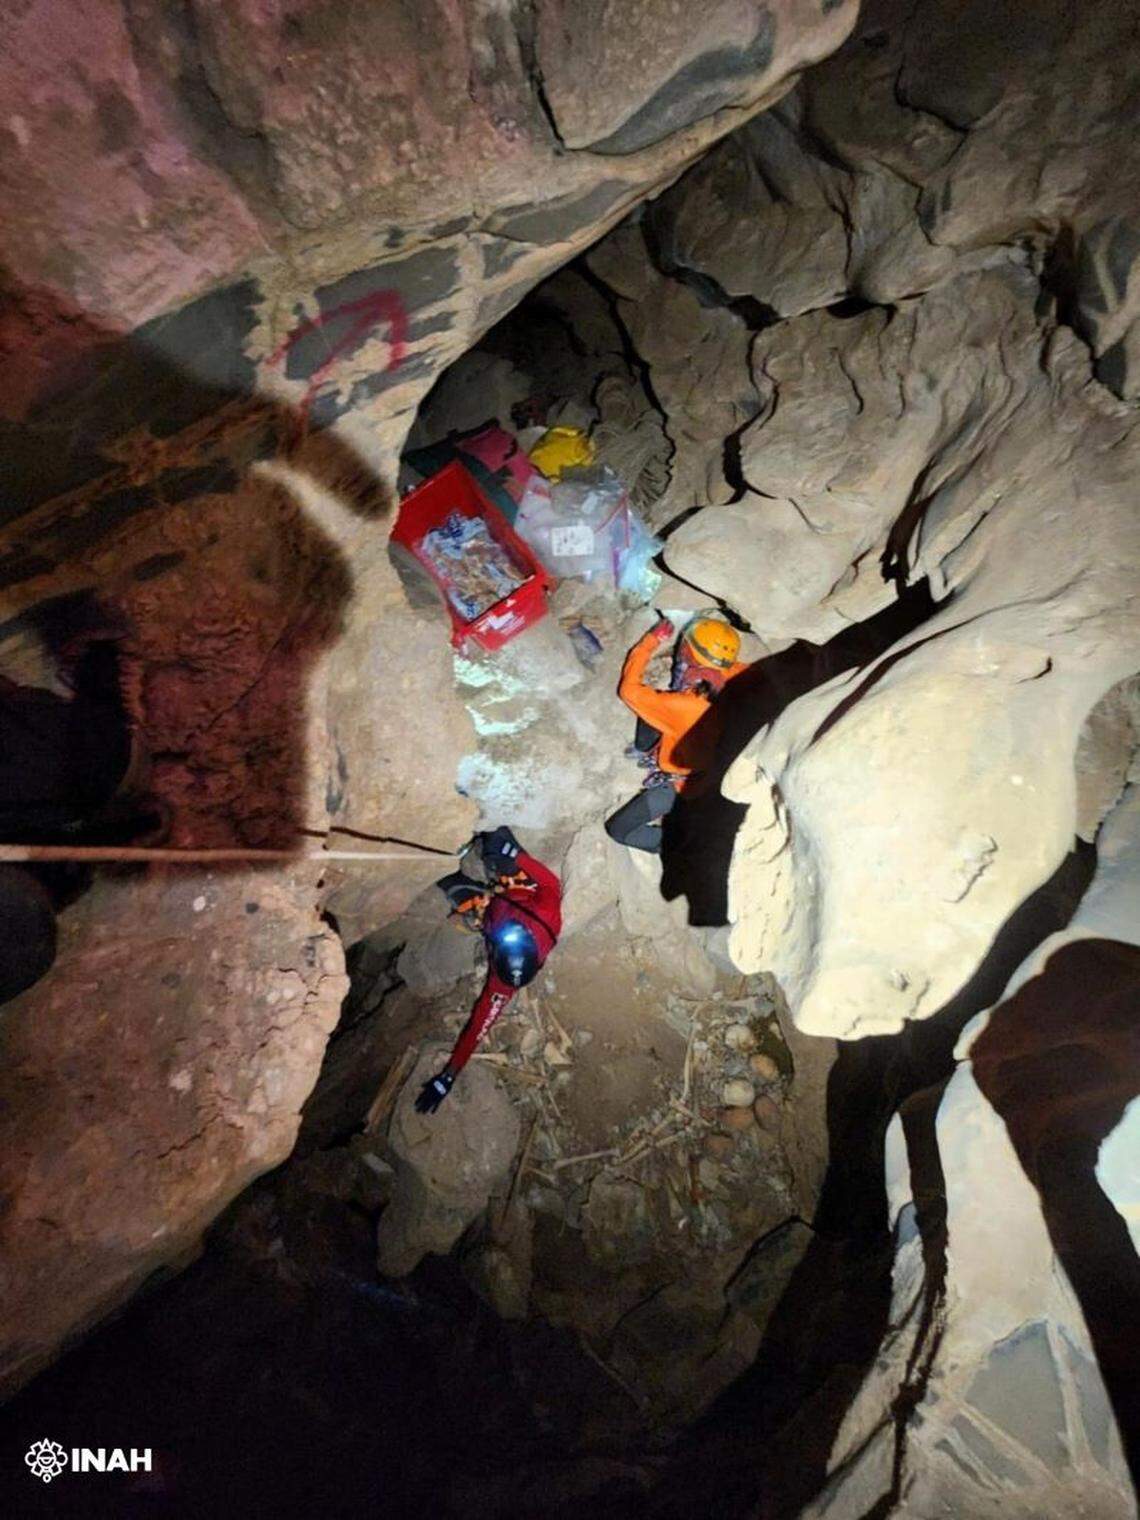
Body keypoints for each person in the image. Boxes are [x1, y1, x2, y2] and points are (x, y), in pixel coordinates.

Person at [415, 826, 562, 1113]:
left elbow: (479, 1027)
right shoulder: (545, 920)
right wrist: (518, 857)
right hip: (518, 886)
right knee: (495, 840)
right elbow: (550, 885)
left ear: (496, 952)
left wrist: (449, 1075)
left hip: (489, 905)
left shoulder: (501, 983)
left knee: (443, 879)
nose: (515, 932)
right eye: (519, 936)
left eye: (508, 940)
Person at [605, 613, 748, 854]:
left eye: (686, 645)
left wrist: (651, 641)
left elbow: (628, 690)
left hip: (685, 786)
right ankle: (646, 750)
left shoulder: (684, 705)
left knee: (619, 830)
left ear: (694, 655)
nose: (682, 647)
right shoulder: (738, 675)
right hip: (713, 765)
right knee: (654, 708)